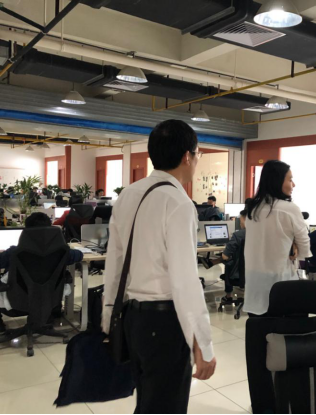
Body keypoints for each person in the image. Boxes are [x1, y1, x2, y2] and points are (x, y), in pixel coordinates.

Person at [102, 120, 216, 414]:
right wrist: (203, 344)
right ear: (187, 156)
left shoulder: (129, 194)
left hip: (132, 318)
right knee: (165, 405)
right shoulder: (178, 202)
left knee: (148, 401)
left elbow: (115, 261)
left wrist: (108, 315)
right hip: (164, 323)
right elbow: (184, 280)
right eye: (198, 154)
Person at [244, 160, 311, 317]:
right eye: (290, 179)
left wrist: (291, 243)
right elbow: (304, 243)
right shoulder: (289, 208)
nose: (293, 185)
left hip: (254, 278)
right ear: (278, 180)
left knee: (259, 324)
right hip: (281, 278)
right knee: (282, 326)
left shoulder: (253, 208)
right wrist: (297, 251)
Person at [0, 212, 83, 334]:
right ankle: (47, 318)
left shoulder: (14, 252)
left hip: (17, 304)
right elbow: (79, 255)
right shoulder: (61, 251)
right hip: (51, 301)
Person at [219, 210, 247, 304]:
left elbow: (225, 256)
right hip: (256, 273)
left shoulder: (238, 235)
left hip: (240, 274)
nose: (240, 223)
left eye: (241, 220)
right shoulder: (261, 234)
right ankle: (241, 295)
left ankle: (229, 296)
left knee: (228, 263)